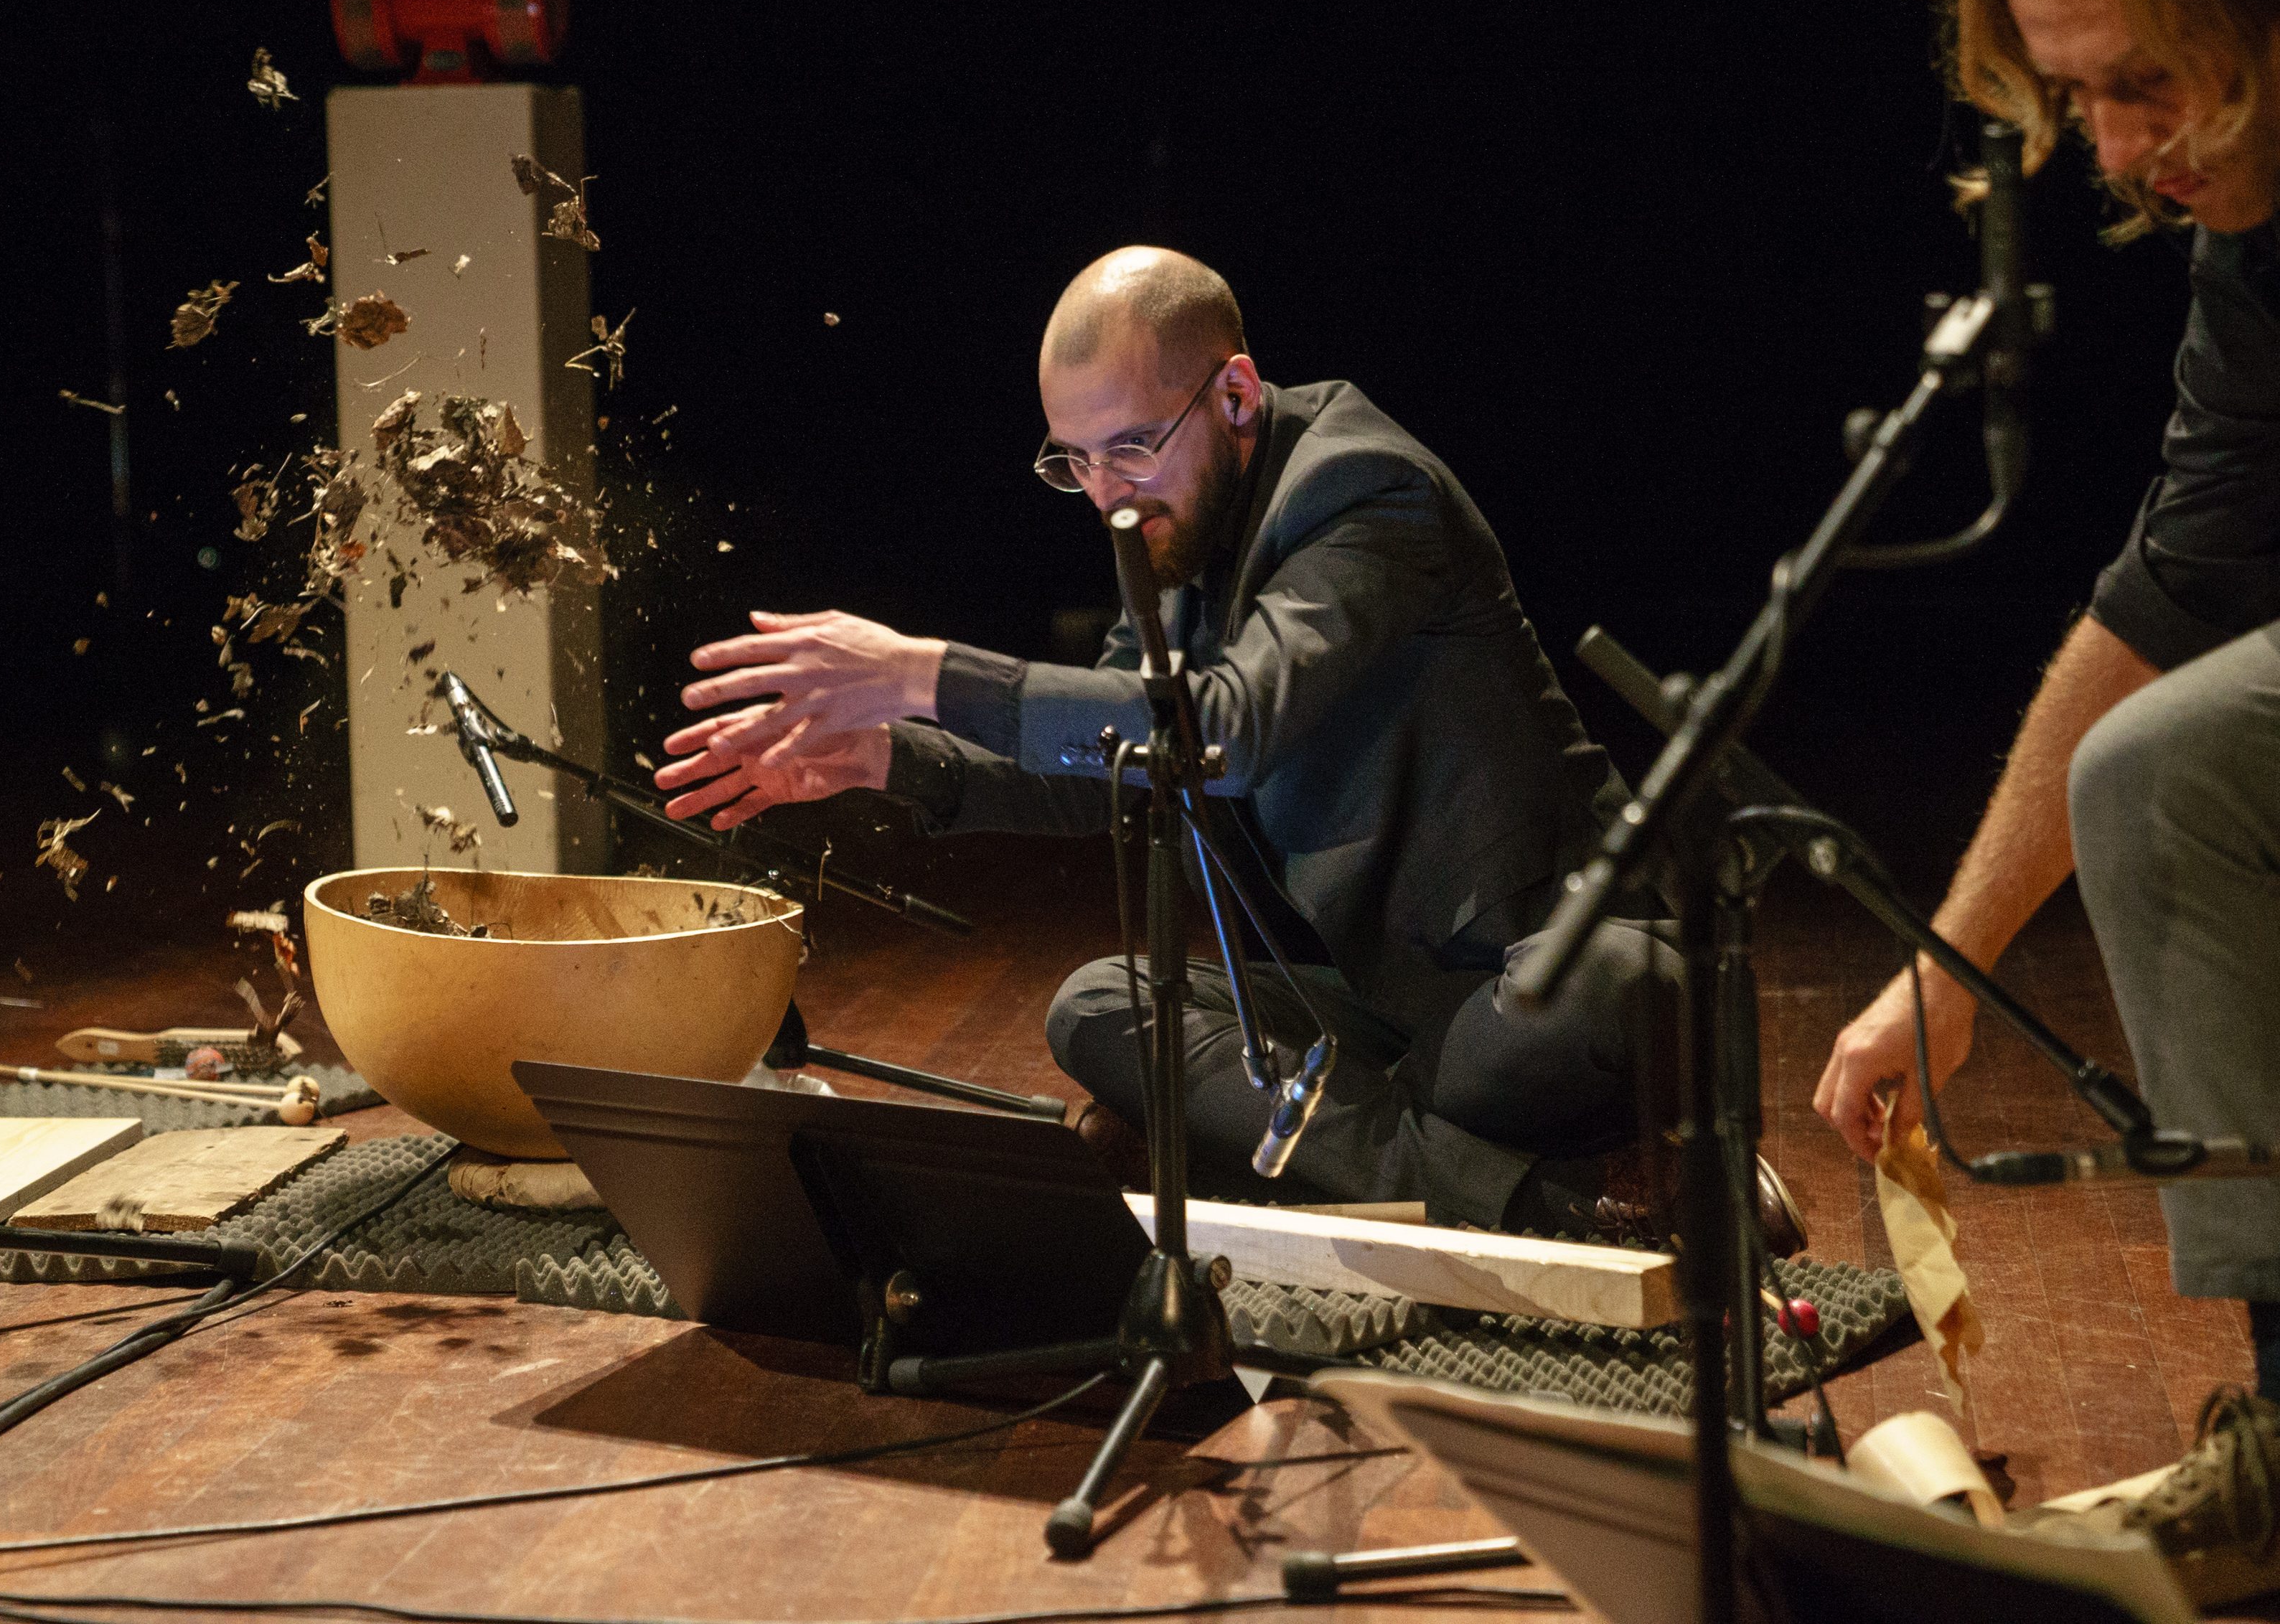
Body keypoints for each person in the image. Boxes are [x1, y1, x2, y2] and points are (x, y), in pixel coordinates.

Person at [657, 245, 1801, 1244]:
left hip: (1538, 986)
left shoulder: (1364, 490)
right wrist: (885, 755)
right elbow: (1118, 739)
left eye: (1131, 450)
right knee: (1100, 1007)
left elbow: (1227, 730)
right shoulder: (1171, 528)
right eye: (1074, 462)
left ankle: (1327, 1145)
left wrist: (922, 672)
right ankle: (1551, 1204)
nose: (1106, 496)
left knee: (1623, 983)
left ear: (1238, 395)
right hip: (1404, 1013)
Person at [1807, 0, 2280, 1597]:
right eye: (2075, 97)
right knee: (2164, 764)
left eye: (2144, 82)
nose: (2113, 147)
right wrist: (1949, 969)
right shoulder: (2249, 238)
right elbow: (2175, 585)